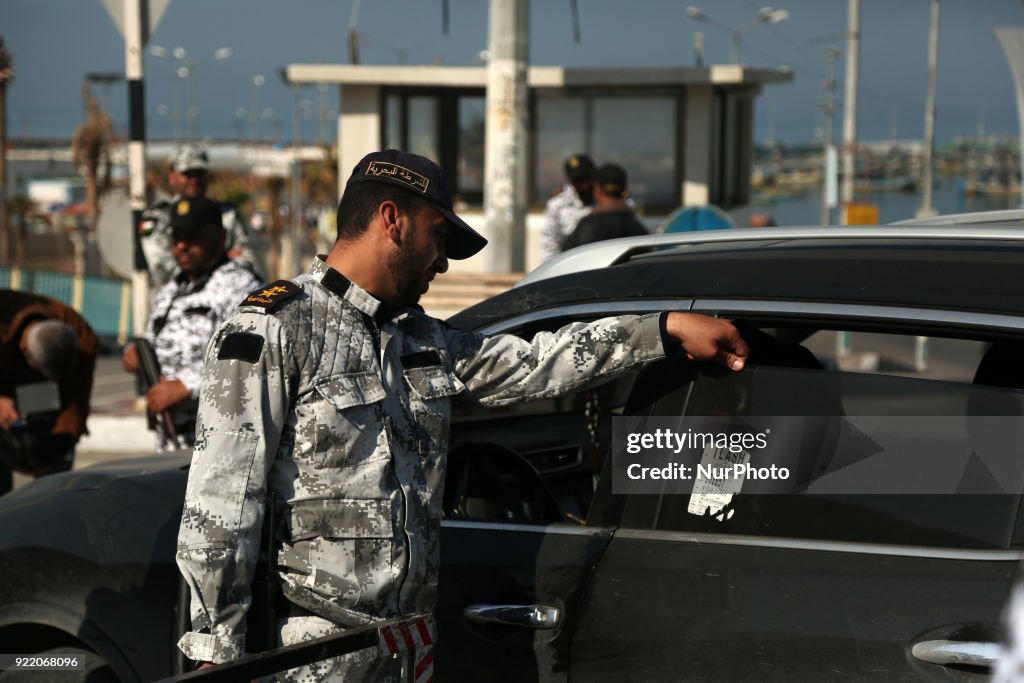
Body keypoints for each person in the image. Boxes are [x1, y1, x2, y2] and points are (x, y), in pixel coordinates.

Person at [175, 149, 748, 680]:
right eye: (438, 237)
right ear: (391, 219)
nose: (443, 263)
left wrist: (664, 330)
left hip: (408, 651)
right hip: (311, 656)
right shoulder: (274, 329)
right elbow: (222, 502)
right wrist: (216, 653)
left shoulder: (423, 338)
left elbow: (536, 362)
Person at [124, 196, 263, 452]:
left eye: (193, 237)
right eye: (176, 238)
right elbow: (151, 337)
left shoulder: (242, 287)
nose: (182, 246)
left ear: (221, 238)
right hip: (171, 442)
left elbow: (252, 359)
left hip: (223, 442)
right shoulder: (172, 290)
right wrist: (134, 355)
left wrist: (188, 386)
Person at [0, 290, 99, 495]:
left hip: (51, 402)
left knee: (55, 481)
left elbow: (76, 403)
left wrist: (56, 448)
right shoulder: (4, 316)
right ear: (24, 347)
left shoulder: (83, 337)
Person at [140, 145, 264, 292]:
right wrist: (224, 260)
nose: (194, 180)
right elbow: (163, 269)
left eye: (199, 173)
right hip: (175, 306)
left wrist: (201, 264)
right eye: (188, 173)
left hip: (228, 300)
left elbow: (250, 261)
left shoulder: (228, 214)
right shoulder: (157, 218)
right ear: (172, 177)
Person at [562, 163, 649, 251]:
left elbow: (568, 258)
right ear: (624, 190)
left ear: (598, 190)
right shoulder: (638, 228)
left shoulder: (586, 228)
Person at [540, 153, 596, 261]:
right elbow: (550, 243)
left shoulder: (606, 199)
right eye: (578, 181)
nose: (584, 185)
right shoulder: (558, 204)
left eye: (587, 179)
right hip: (570, 265)